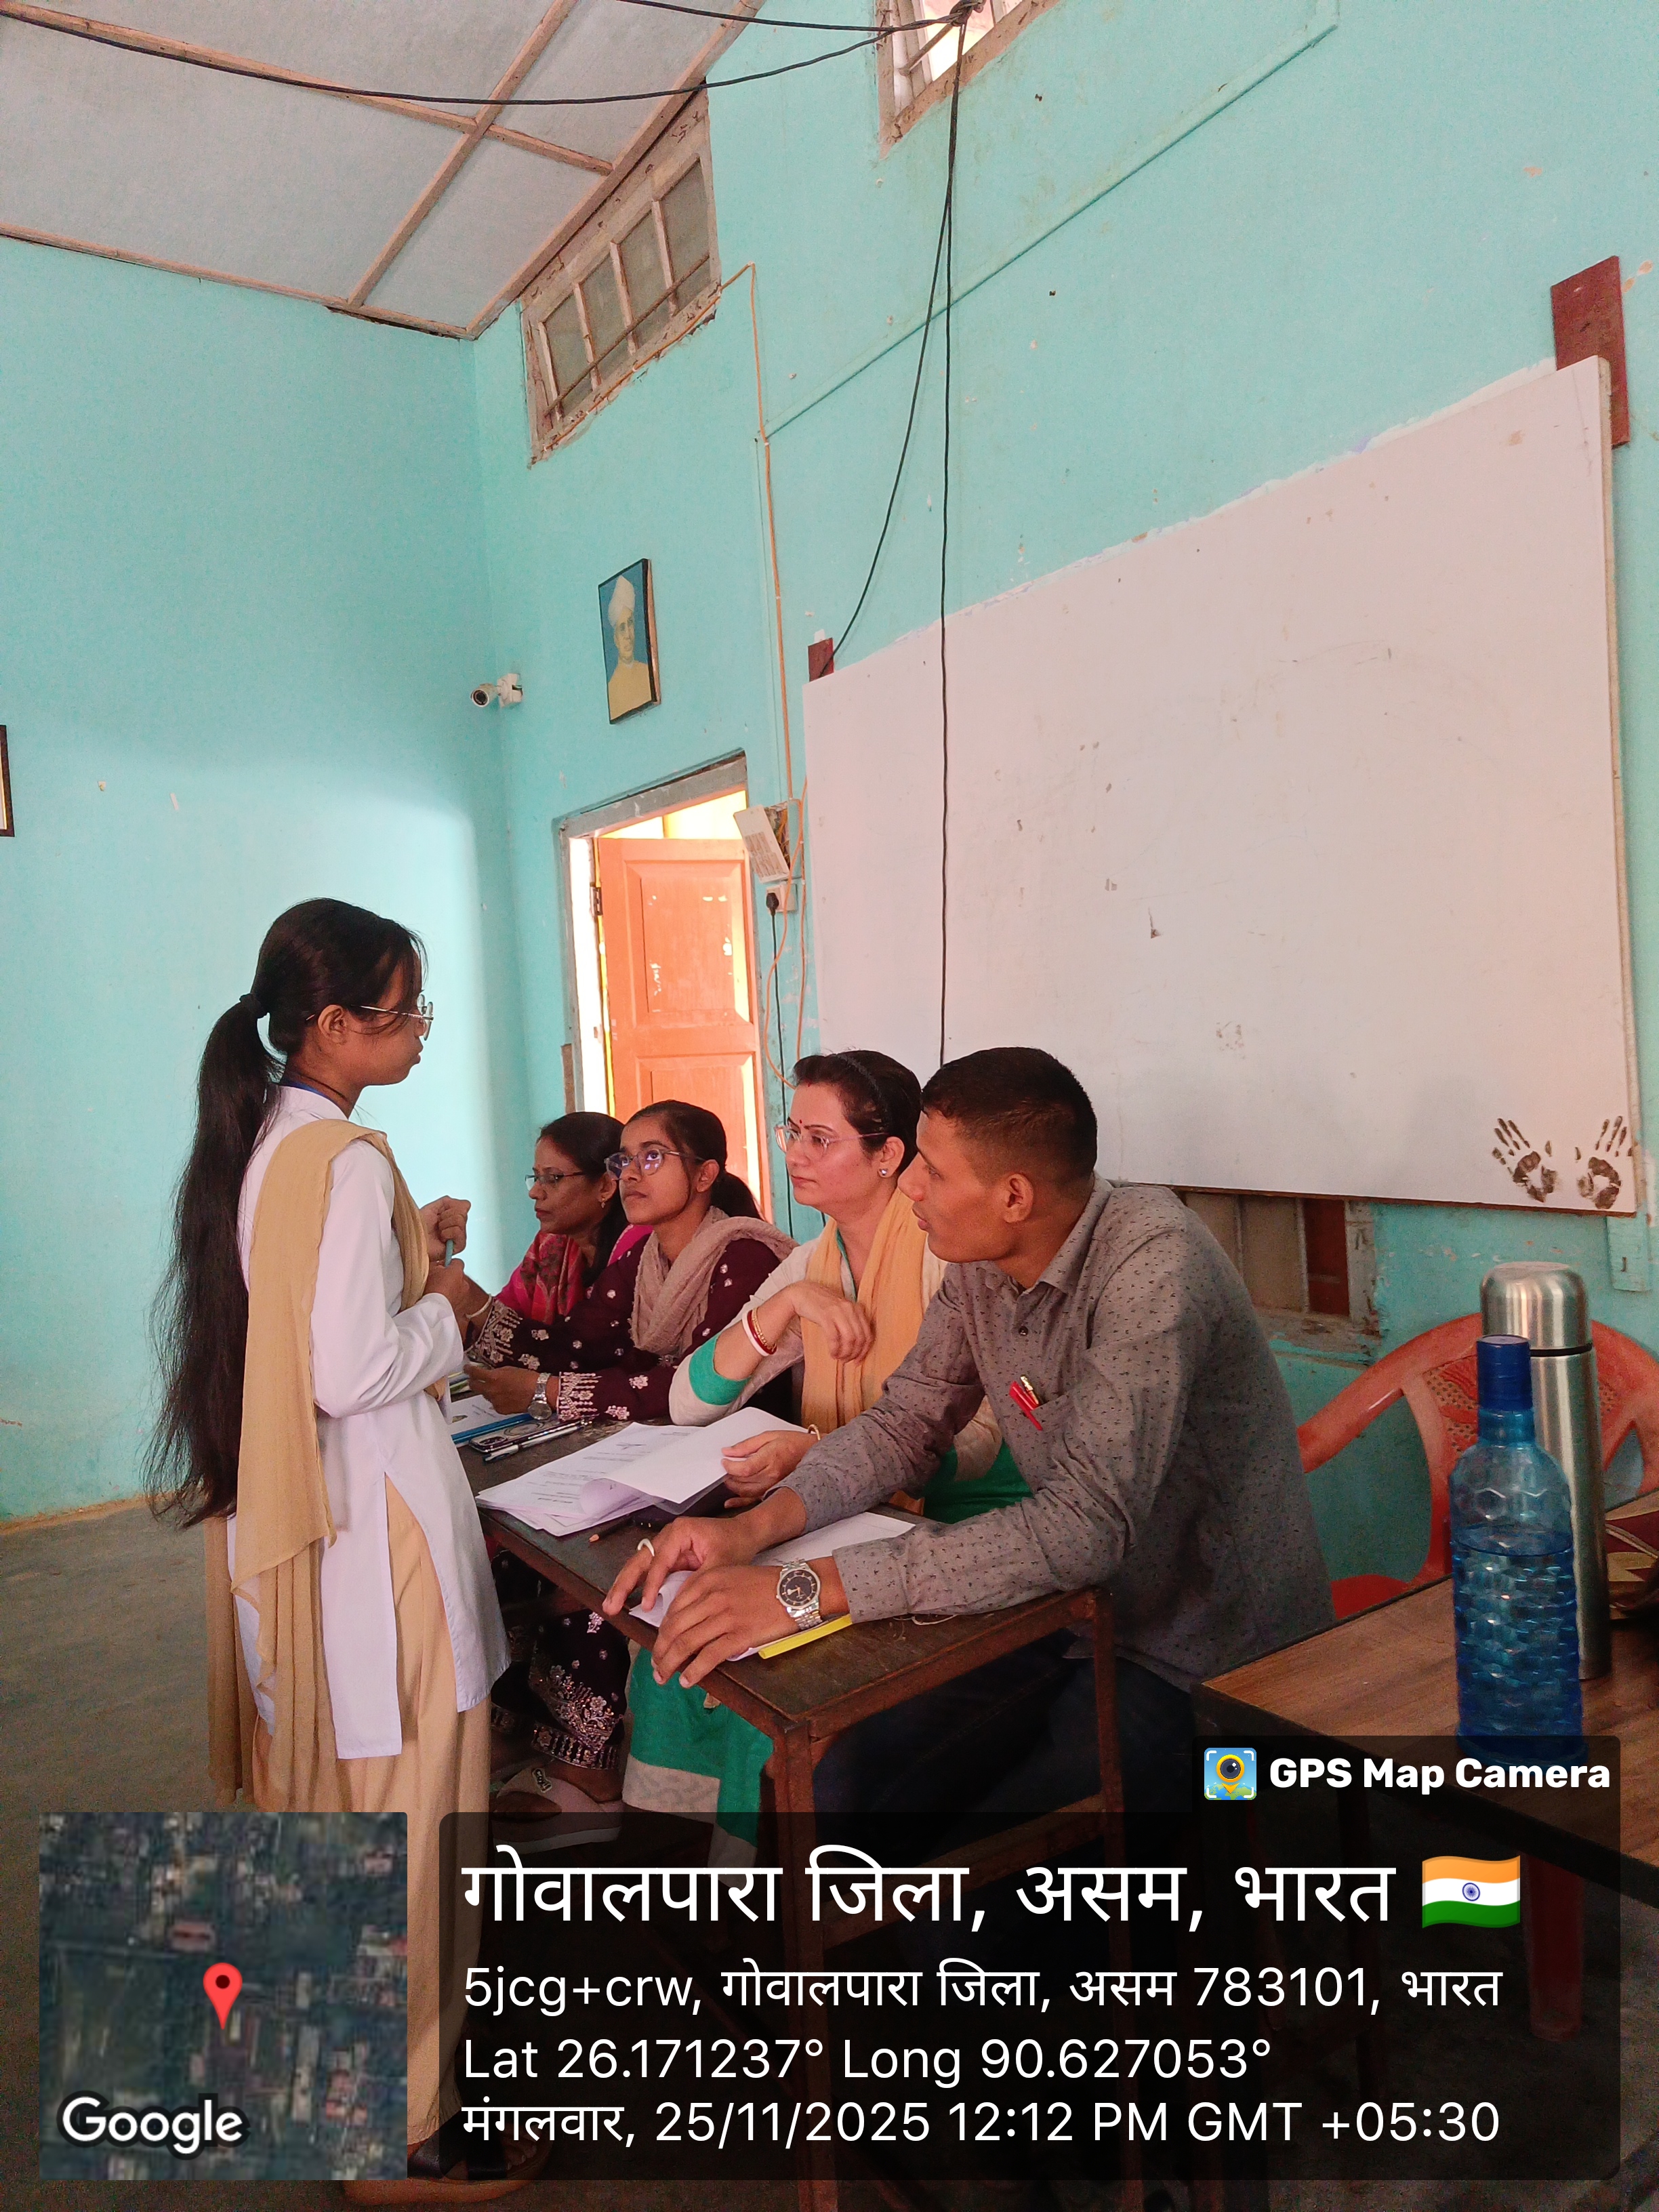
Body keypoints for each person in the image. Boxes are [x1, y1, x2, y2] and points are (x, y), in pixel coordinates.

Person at [605, 1046, 1334, 1866]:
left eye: (933, 1170)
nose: (911, 1185)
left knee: (978, 1874)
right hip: (1058, 1613)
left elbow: (1085, 1527)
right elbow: (904, 1425)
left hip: (1199, 1652)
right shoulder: (982, 1263)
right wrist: (752, 1531)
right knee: (847, 1790)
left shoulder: (1152, 1265)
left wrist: (804, 1590)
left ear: (1014, 1196)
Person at [146, 898, 533, 2198]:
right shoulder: (347, 1159)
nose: (421, 1032)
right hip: (378, 1538)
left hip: (306, 1523)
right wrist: (448, 1306)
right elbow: (354, 1365)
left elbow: (307, 1313)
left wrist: (411, 1248)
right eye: (404, 1011)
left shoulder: (268, 1136)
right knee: (415, 1828)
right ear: (331, 1023)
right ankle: (407, 2129)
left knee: (343, 1820)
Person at [625, 1050, 1010, 1859]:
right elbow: (690, 1400)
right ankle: (683, 1869)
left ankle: (763, 1887)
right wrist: (788, 1306)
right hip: (840, 1518)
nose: (795, 1154)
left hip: (946, 1532)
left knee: (760, 1669)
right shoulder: (814, 1262)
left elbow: (977, 1442)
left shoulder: (946, 1256)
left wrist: (813, 1451)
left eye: (820, 1139)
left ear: (890, 1155)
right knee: (674, 1633)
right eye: (791, 1133)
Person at [459, 1100, 794, 1841]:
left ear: (704, 1174)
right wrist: (474, 1308)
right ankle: (540, 1735)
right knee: (518, 1544)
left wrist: (552, 1393)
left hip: (742, 1470)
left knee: (600, 1564)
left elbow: (692, 1391)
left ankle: (593, 1768)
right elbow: (573, 1347)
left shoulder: (743, 1256)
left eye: (652, 1158)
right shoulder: (643, 1260)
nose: (631, 1174)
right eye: (624, 1159)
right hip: (660, 1457)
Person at [432, 1111, 634, 1849]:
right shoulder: (552, 1251)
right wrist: (462, 1310)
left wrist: (469, 1305)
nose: (536, 1193)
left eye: (554, 1178)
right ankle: (521, 1730)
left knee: (581, 1568)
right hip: (568, 1428)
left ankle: (588, 1766)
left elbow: (579, 1355)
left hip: (628, 1434)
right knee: (496, 1549)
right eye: (534, 1177)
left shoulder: (635, 1252)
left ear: (605, 1186)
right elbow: (511, 1341)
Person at [605, 571, 654, 719]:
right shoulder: (613, 689)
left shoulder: (646, 671)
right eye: (622, 628)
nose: (628, 635)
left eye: (630, 624)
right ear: (615, 639)